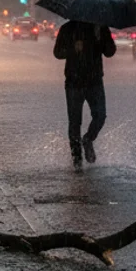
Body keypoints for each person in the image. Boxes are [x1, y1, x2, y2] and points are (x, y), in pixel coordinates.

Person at [52, 20, 116, 171]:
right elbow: (57, 53)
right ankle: (77, 159)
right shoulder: (68, 28)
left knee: (100, 115)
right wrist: (73, 48)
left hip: (94, 81)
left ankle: (88, 139)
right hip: (74, 82)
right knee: (75, 122)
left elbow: (110, 52)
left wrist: (101, 39)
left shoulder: (100, 27)